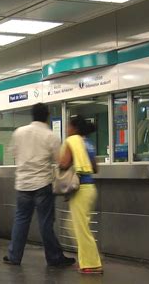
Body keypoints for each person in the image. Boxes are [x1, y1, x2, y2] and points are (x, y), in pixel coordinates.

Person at [3, 103, 75, 267]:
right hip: (42, 184)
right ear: (47, 116)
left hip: (22, 184)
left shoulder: (19, 132)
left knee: (21, 220)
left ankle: (14, 256)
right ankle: (54, 257)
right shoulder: (50, 135)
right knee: (45, 222)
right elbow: (61, 162)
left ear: (32, 115)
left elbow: (14, 153)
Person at [59, 115, 103, 274]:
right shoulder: (88, 144)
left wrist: (59, 161)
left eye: (68, 127)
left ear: (74, 128)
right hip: (89, 188)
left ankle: (92, 264)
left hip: (81, 188)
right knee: (73, 226)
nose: (67, 130)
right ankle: (88, 257)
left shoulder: (73, 141)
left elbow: (63, 163)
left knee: (81, 228)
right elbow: (95, 169)